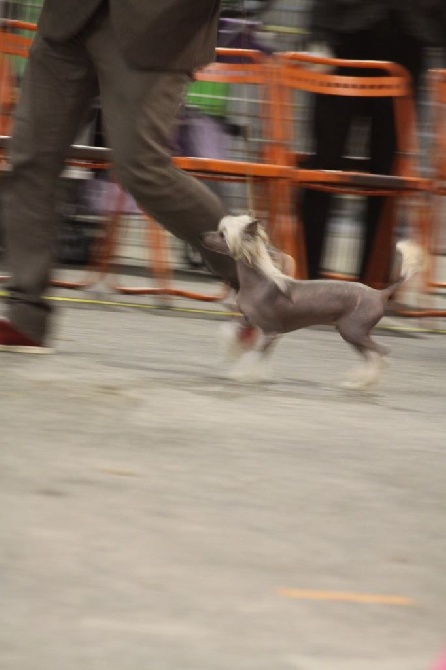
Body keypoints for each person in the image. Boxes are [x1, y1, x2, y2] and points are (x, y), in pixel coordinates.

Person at [0, 0, 241, 352]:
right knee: (30, 158)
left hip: (159, 22)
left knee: (142, 169)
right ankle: (25, 315)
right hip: (68, 19)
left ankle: (258, 274)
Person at [299, 0, 446, 281]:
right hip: (343, 36)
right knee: (322, 166)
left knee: (388, 170)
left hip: (411, 40)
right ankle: (306, 273)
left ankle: (373, 280)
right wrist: (318, 34)